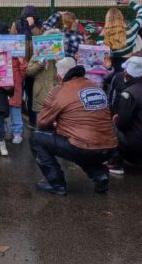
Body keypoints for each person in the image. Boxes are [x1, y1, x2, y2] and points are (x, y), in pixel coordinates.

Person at [31, 58, 117, 195]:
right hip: (109, 147)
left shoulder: (59, 90)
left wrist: (56, 124)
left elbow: (42, 122)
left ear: (59, 76)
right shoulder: (95, 86)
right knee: (79, 140)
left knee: (36, 138)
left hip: (83, 146)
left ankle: (56, 184)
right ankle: (100, 174)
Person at [101, 0, 142, 72]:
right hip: (128, 67)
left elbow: (100, 53)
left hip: (111, 68)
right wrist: (129, 2)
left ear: (107, 19)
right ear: (121, 17)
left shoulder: (104, 35)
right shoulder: (132, 28)